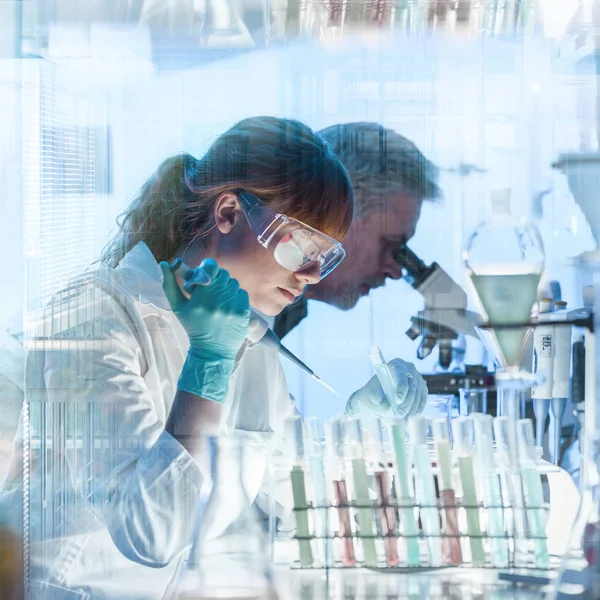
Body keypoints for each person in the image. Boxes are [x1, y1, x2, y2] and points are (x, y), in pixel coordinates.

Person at [2, 116, 353, 600]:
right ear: (228, 212)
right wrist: (208, 364)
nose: (312, 274)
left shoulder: (251, 340)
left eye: (327, 254)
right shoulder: (91, 316)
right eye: (300, 245)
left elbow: (299, 497)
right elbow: (153, 533)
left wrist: (368, 435)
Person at [273, 122, 441, 418]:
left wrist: (358, 417)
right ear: (338, 213)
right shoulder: (238, 306)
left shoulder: (285, 309)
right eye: (390, 245)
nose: (396, 272)